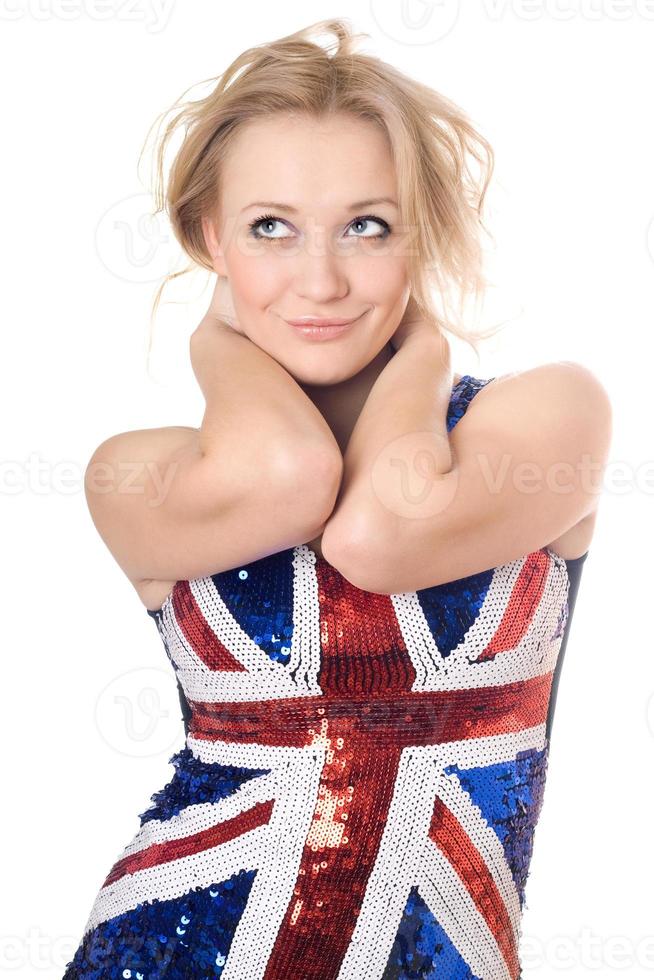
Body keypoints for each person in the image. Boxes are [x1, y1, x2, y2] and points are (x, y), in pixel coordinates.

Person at [64, 18, 612, 980]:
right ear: (208, 238)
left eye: (369, 225)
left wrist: (425, 357)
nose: (319, 280)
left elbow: (381, 534)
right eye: (269, 228)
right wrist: (217, 347)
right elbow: (291, 477)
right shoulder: (137, 474)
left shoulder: (546, 421)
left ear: (421, 235)